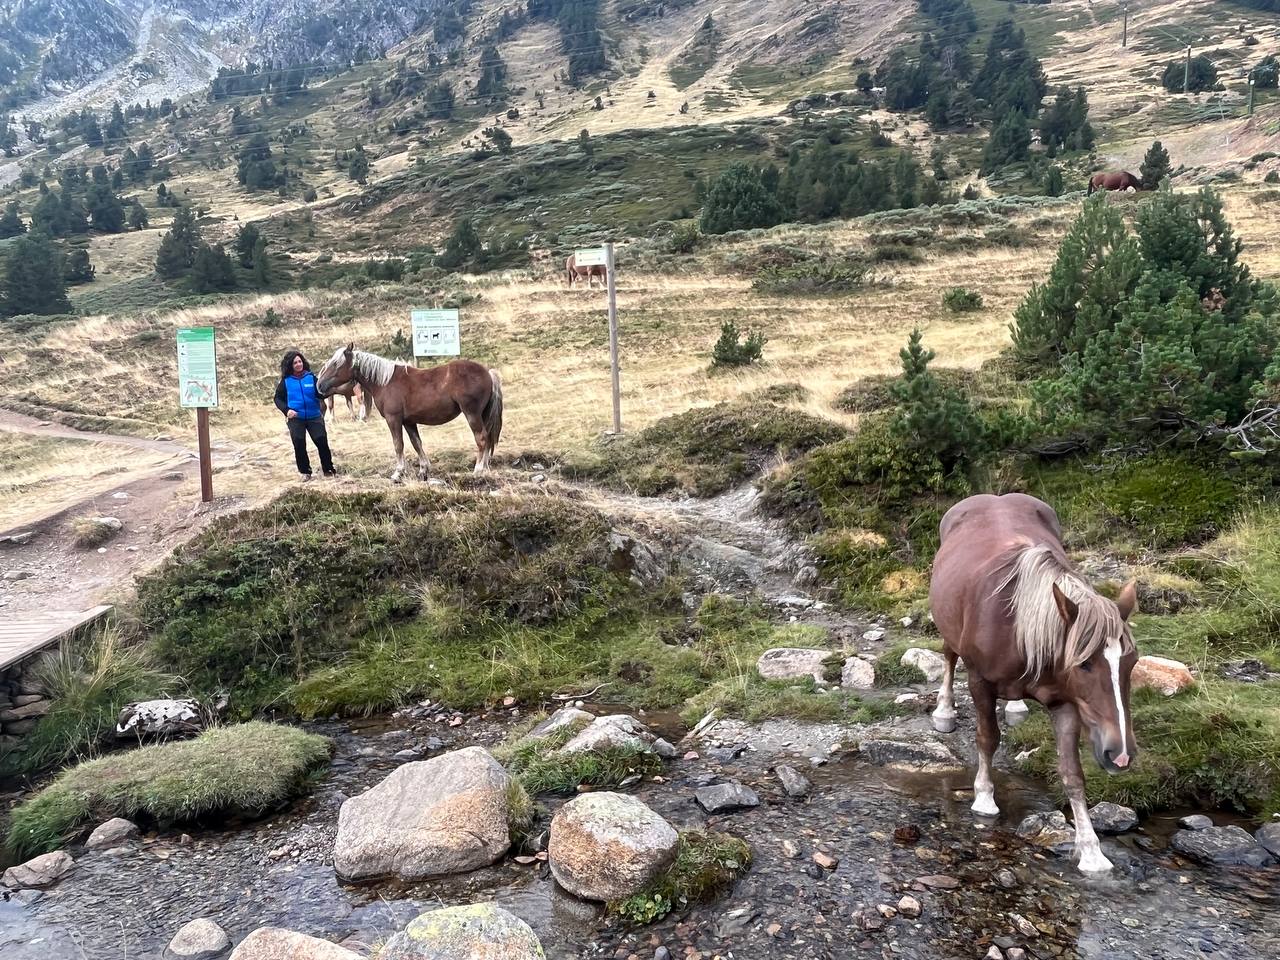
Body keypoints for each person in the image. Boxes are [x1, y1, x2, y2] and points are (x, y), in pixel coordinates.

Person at [274, 349, 336, 480]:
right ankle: (305, 472)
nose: (298, 364)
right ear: (290, 365)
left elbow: (320, 393)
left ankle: (328, 470)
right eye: (295, 363)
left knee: (322, 442)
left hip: (314, 416)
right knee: (299, 444)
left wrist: (331, 388)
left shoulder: (311, 377)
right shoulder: (286, 381)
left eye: (300, 361)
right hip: (296, 419)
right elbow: (277, 398)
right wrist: (287, 410)